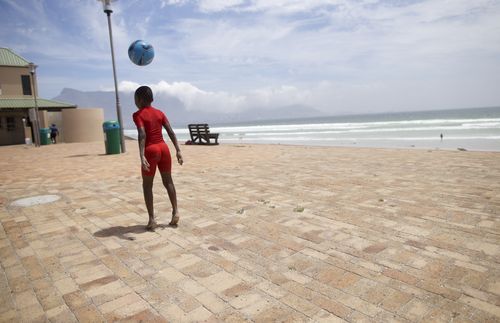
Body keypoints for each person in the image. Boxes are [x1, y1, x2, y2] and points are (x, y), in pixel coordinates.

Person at [133, 86, 183, 230]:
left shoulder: (138, 115)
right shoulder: (160, 113)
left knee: (147, 185)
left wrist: (142, 155)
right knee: (168, 181)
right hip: (164, 149)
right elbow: (171, 132)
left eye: (135, 99)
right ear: (152, 99)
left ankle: (152, 220)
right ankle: (175, 211)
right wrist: (178, 150)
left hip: (151, 150)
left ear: (140, 100)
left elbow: (142, 134)